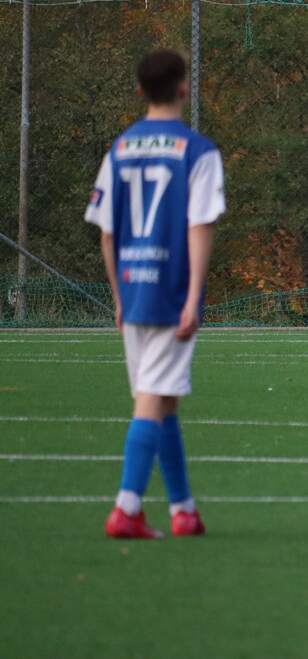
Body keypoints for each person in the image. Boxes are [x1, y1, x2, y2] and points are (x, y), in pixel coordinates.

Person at [85, 49, 225, 539]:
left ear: (140, 91)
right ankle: (126, 508)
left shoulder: (120, 148)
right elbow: (200, 225)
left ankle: (183, 510)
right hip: (170, 292)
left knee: (164, 400)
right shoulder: (198, 151)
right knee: (152, 398)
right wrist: (192, 297)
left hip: (133, 289)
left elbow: (107, 233)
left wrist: (118, 298)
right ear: (184, 88)